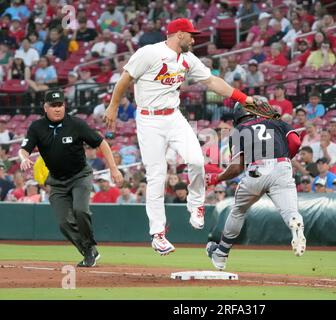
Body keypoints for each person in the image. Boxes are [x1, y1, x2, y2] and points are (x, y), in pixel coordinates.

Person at [104, 18, 255, 256]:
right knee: (156, 175)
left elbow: (212, 81)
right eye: (191, 35)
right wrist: (113, 107)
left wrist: (243, 98)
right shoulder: (150, 53)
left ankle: (196, 205)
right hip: (148, 119)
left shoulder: (187, 58)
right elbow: (125, 79)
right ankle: (158, 234)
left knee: (196, 160)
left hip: (173, 116)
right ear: (179, 34)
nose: (194, 39)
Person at [19, 89, 124, 267]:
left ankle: (89, 246)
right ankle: (88, 251)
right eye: (53, 105)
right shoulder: (36, 127)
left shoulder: (76, 124)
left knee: (80, 210)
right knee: (63, 223)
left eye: (60, 105)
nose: (58, 108)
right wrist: (23, 158)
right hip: (57, 182)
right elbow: (24, 149)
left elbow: (102, 143)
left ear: (64, 106)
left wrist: (114, 170)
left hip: (80, 176)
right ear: (45, 107)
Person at [205, 102, 306, 270]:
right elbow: (295, 142)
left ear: (237, 117)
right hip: (282, 167)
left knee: (238, 211)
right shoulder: (277, 121)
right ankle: (295, 222)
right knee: (290, 211)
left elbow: (237, 167)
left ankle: (221, 253)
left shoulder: (239, 130)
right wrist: (283, 156)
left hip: (256, 170)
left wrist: (218, 178)